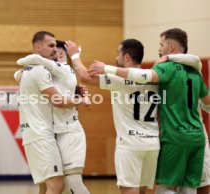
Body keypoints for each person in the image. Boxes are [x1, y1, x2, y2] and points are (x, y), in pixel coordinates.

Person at [87, 28, 210, 194]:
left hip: (174, 135)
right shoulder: (196, 70)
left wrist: (107, 68)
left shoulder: (165, 68)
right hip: (198, 136)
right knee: (191, 187)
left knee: (164, 187)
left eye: (161, 45)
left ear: (171, 47)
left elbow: (141, 76)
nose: (159, 49)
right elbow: (207, 101)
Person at [65, 38, 160, 194]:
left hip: (130, 144)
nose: (116, 58)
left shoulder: (119, 78)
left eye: (118, 53)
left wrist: (74, 56)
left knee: (130, 189)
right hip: (152, 143)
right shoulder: (153, 77)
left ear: (127, 57)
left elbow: (84, 76)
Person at [18, 31, 89, 194]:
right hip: (40, 135)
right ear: (37, 47)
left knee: (46, 185)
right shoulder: (39, 71)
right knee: (56, 185)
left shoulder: (31, 70)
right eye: (51, 45)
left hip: (39, 133)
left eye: (56, 47)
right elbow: (58, 101)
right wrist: (81, 100)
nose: (54, 50)